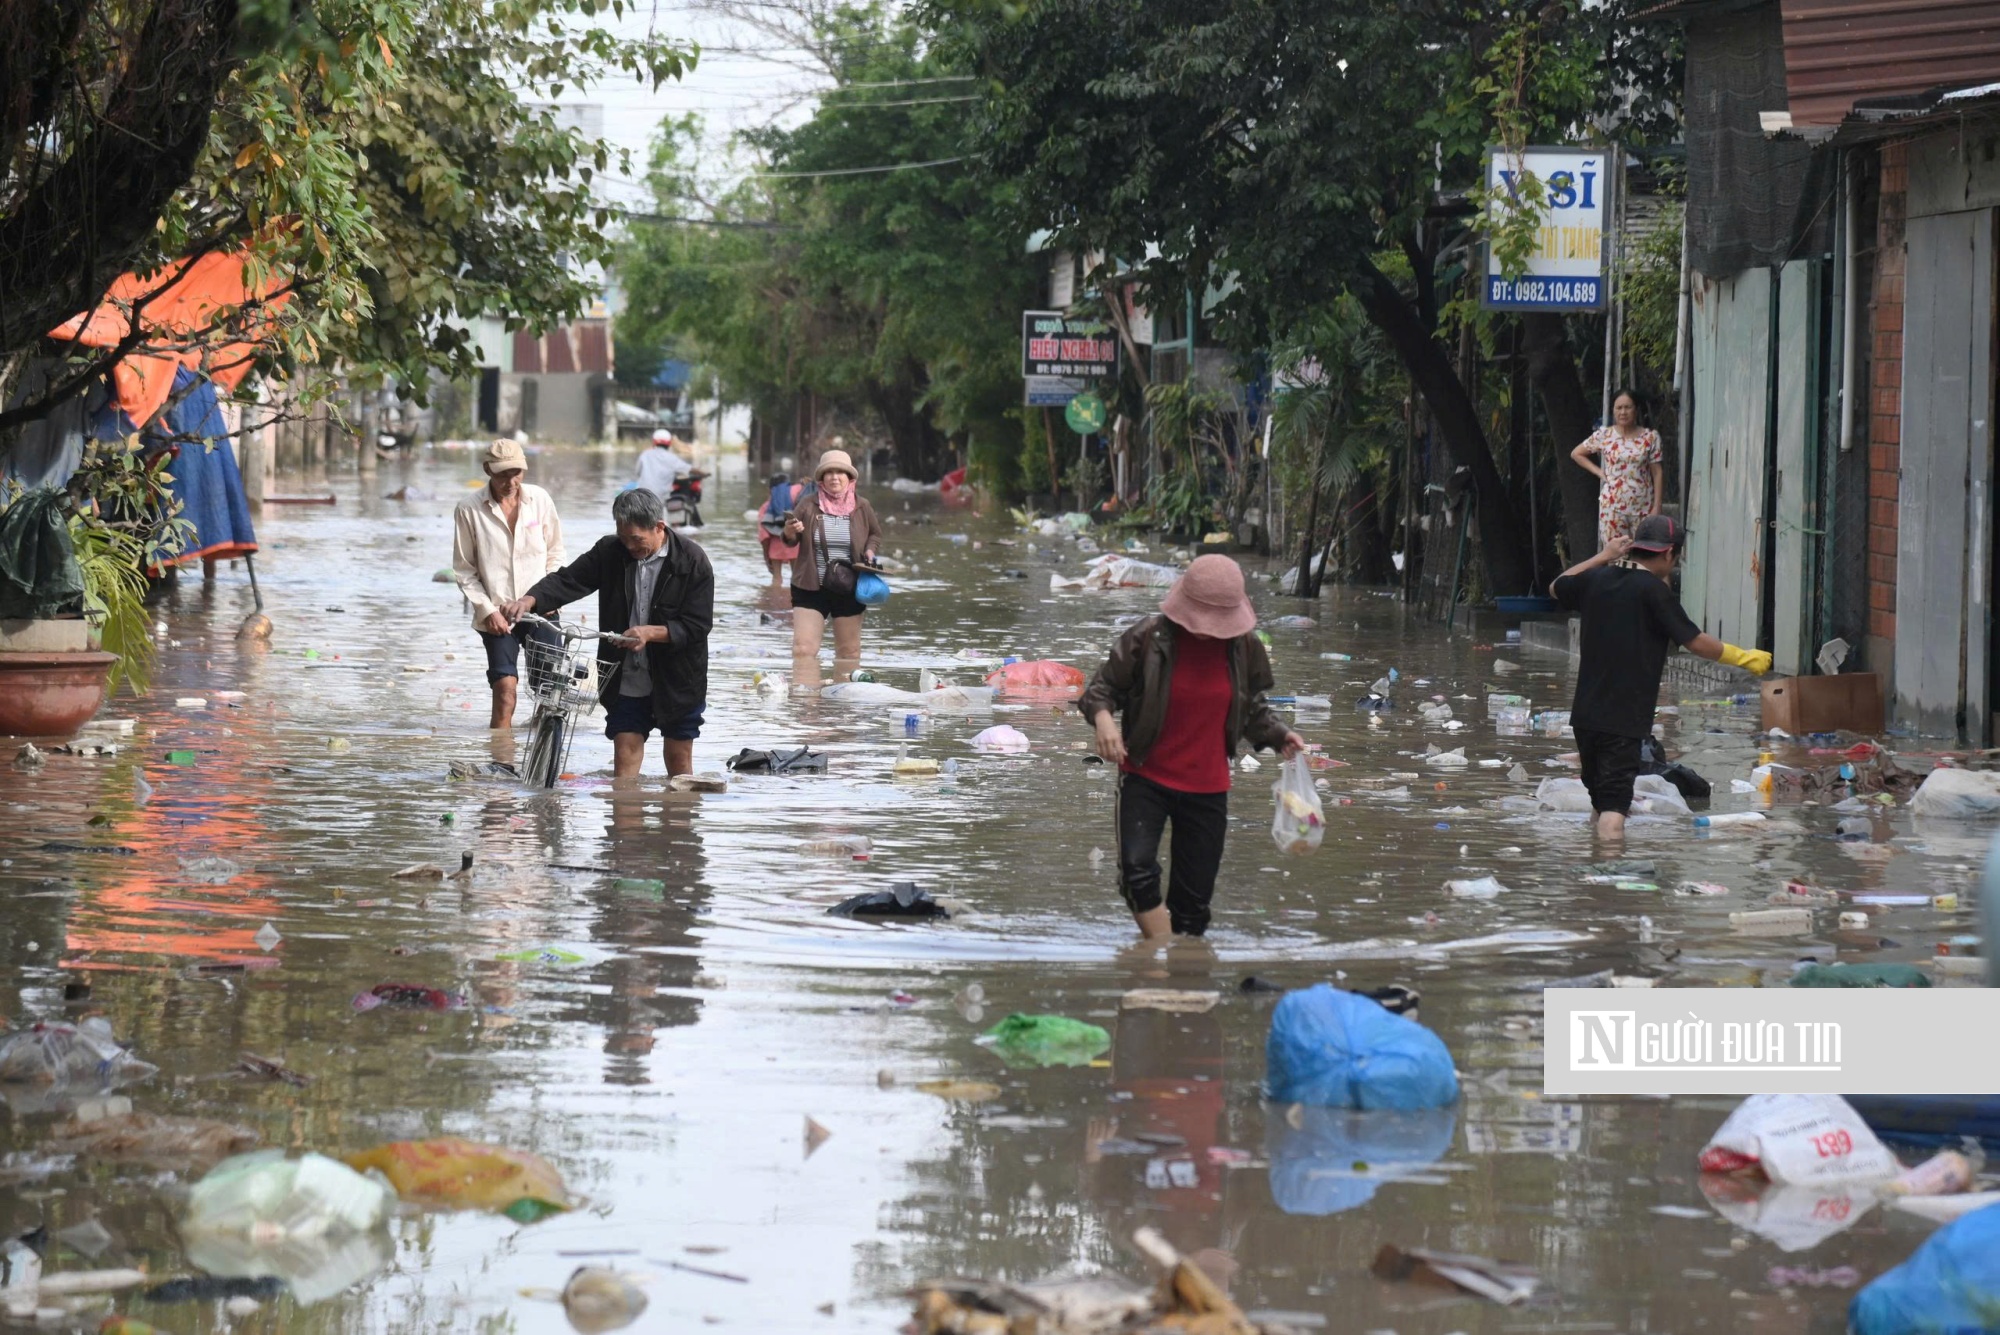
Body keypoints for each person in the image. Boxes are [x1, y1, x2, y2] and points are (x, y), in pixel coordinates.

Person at [1080, 554, 1306, 940]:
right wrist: (1103, 720)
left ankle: (1184, 972)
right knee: (1137, 872)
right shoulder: (1148, 638)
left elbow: (1251, 708)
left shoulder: (1244, 648)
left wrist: (1279, 734)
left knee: (1193, 904)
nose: (1207, 630)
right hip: (1145, 776)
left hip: (1208, 788)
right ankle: (1162, 957)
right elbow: (1100, 690)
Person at [1550, 514, 1772, 839]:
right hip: (1622, 721)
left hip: (1584, 718)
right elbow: (1695, 641)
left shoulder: (1595, 580)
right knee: (1615, 812)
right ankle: (1612, 884)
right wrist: (1743, 657)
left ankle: (1593, 879)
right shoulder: (1653, 591)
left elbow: (1556, 586)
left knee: (1600, 801)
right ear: (1669, 553)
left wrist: (1603, 555)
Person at [500, 489, 713, 779]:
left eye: (636, 539)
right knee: (624, 763)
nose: (629, 546)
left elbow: (697, 625)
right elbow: (569, 580)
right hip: (626, 674)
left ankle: (675, 822)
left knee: (679, 766)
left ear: (659, 527)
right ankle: (624, 817)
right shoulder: (610, 552)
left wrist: (651, 632)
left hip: (677, 677)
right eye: (623, 538)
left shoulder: (692, 561)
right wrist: (530, 600)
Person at [451, 439, 565, 729]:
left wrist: (549, 596)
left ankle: (542, 751)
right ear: (487, 469)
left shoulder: (539, 500)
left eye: (516, 473)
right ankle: (501, 759)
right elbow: (464, 570)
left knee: (550, 691)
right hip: (497, 614)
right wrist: (488, 611)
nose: (510, 481)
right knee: (505, 691)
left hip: (541, 610)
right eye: (503, 474)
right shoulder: (469, 510)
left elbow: (555, 553)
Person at [782, 449, 881, 663]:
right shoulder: (808, 504)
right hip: (810, 586)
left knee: (849, 652)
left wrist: (870, 551)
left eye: (840, 472)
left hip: (848, 585)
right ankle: (804, 696)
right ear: (822, 478)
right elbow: (789, 538)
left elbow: (875, 534)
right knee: (803, 650)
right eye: (829, 472)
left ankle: (841, 696)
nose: (834, 477)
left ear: (849, 478)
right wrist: (791, 530)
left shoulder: (862, 506)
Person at [1570, 390, 1664, 546]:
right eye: (1618, 408)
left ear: (1636, 409)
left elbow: (1657, 472)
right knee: (1615, 557)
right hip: (1612, 508)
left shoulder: (1650, 437)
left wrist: (1657, 506)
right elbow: (1576, 453)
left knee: (1644, 553)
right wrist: (1599, 472)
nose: (1623, 412)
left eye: (1628, 407)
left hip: (1643, 506)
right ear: (1613, 410)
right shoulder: (1605, 435)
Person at [757, 473, 804, 588]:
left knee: (776, 578)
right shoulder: (795, 504)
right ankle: (793, 601)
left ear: (770, 490)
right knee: (796, 576)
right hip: (794, 546)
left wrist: (766, 556)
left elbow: (764, 535)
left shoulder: (765, 507)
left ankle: (775, 600)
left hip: (775, 547)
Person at [634, 428, 692, 500]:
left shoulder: (645, 454)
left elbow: (637, 472)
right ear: (669, 443)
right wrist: (704, 473)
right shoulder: (672, 458)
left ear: (654, 442)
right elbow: (689, 469)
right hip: (661, 498)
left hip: (642, 496)